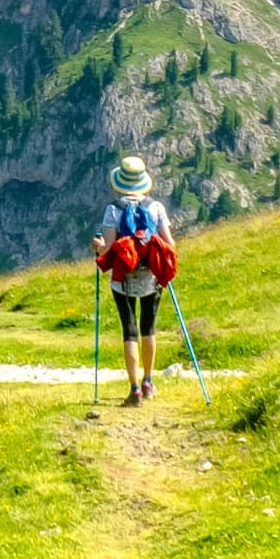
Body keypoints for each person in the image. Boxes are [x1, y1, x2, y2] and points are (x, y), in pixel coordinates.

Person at [93, 155, 178, 405]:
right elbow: (170, 245)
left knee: (129, 331)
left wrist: (97, 247)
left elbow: (107, 249)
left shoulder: (113, 210)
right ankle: (149, 381)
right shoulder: (156, 207)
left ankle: (134, 390)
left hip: (123, 279)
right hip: (152, 277)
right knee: (148, 328)